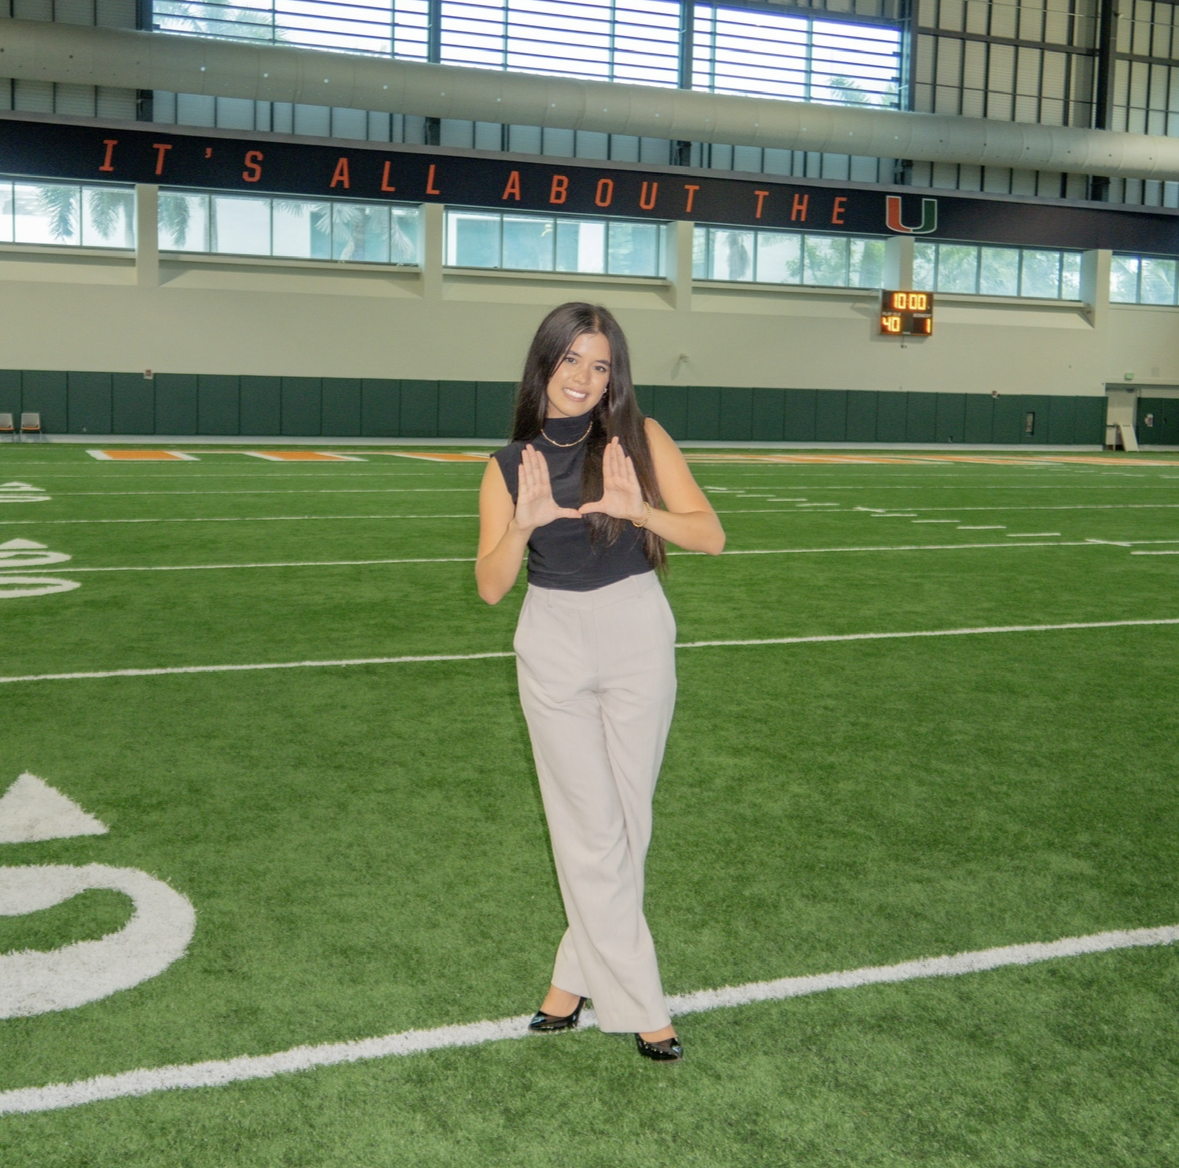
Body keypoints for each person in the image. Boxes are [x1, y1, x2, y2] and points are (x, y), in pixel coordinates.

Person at [476, 302, 725, 1061]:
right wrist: (521, 527)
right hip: (550, 639)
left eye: (600, 364)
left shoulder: (641, 440)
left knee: (626, 822)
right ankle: (644, 1007)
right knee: (589, 830)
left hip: (635, 631)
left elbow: (709, 535)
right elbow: (490, 587)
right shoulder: (506, 464)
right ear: (543, 362)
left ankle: (568, 981)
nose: (583, 378)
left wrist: (640, 509)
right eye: (571, 360)